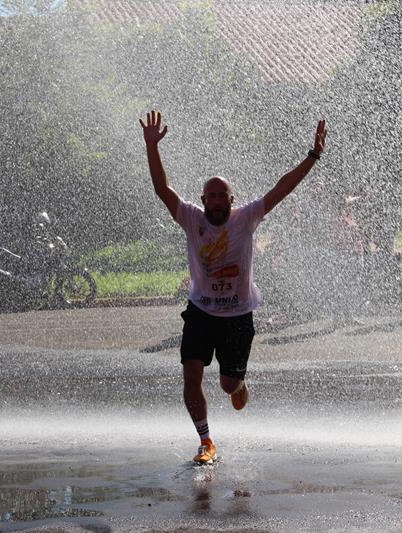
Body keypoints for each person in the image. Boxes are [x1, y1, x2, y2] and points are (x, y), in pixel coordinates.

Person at [139, 110, 327, 464]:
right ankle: (206, 441)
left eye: (220, 195)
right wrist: (152, 147)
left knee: (228, 386)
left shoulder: (247, 218)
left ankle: (239, 383)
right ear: (203, 199)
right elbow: (162, 190)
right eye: (208, 196)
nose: (213, 201)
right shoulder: (191, 217)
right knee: (191, 371)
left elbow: (281, 189)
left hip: (238, 315)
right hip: (200, 310)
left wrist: (313, 156)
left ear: (231, 199)